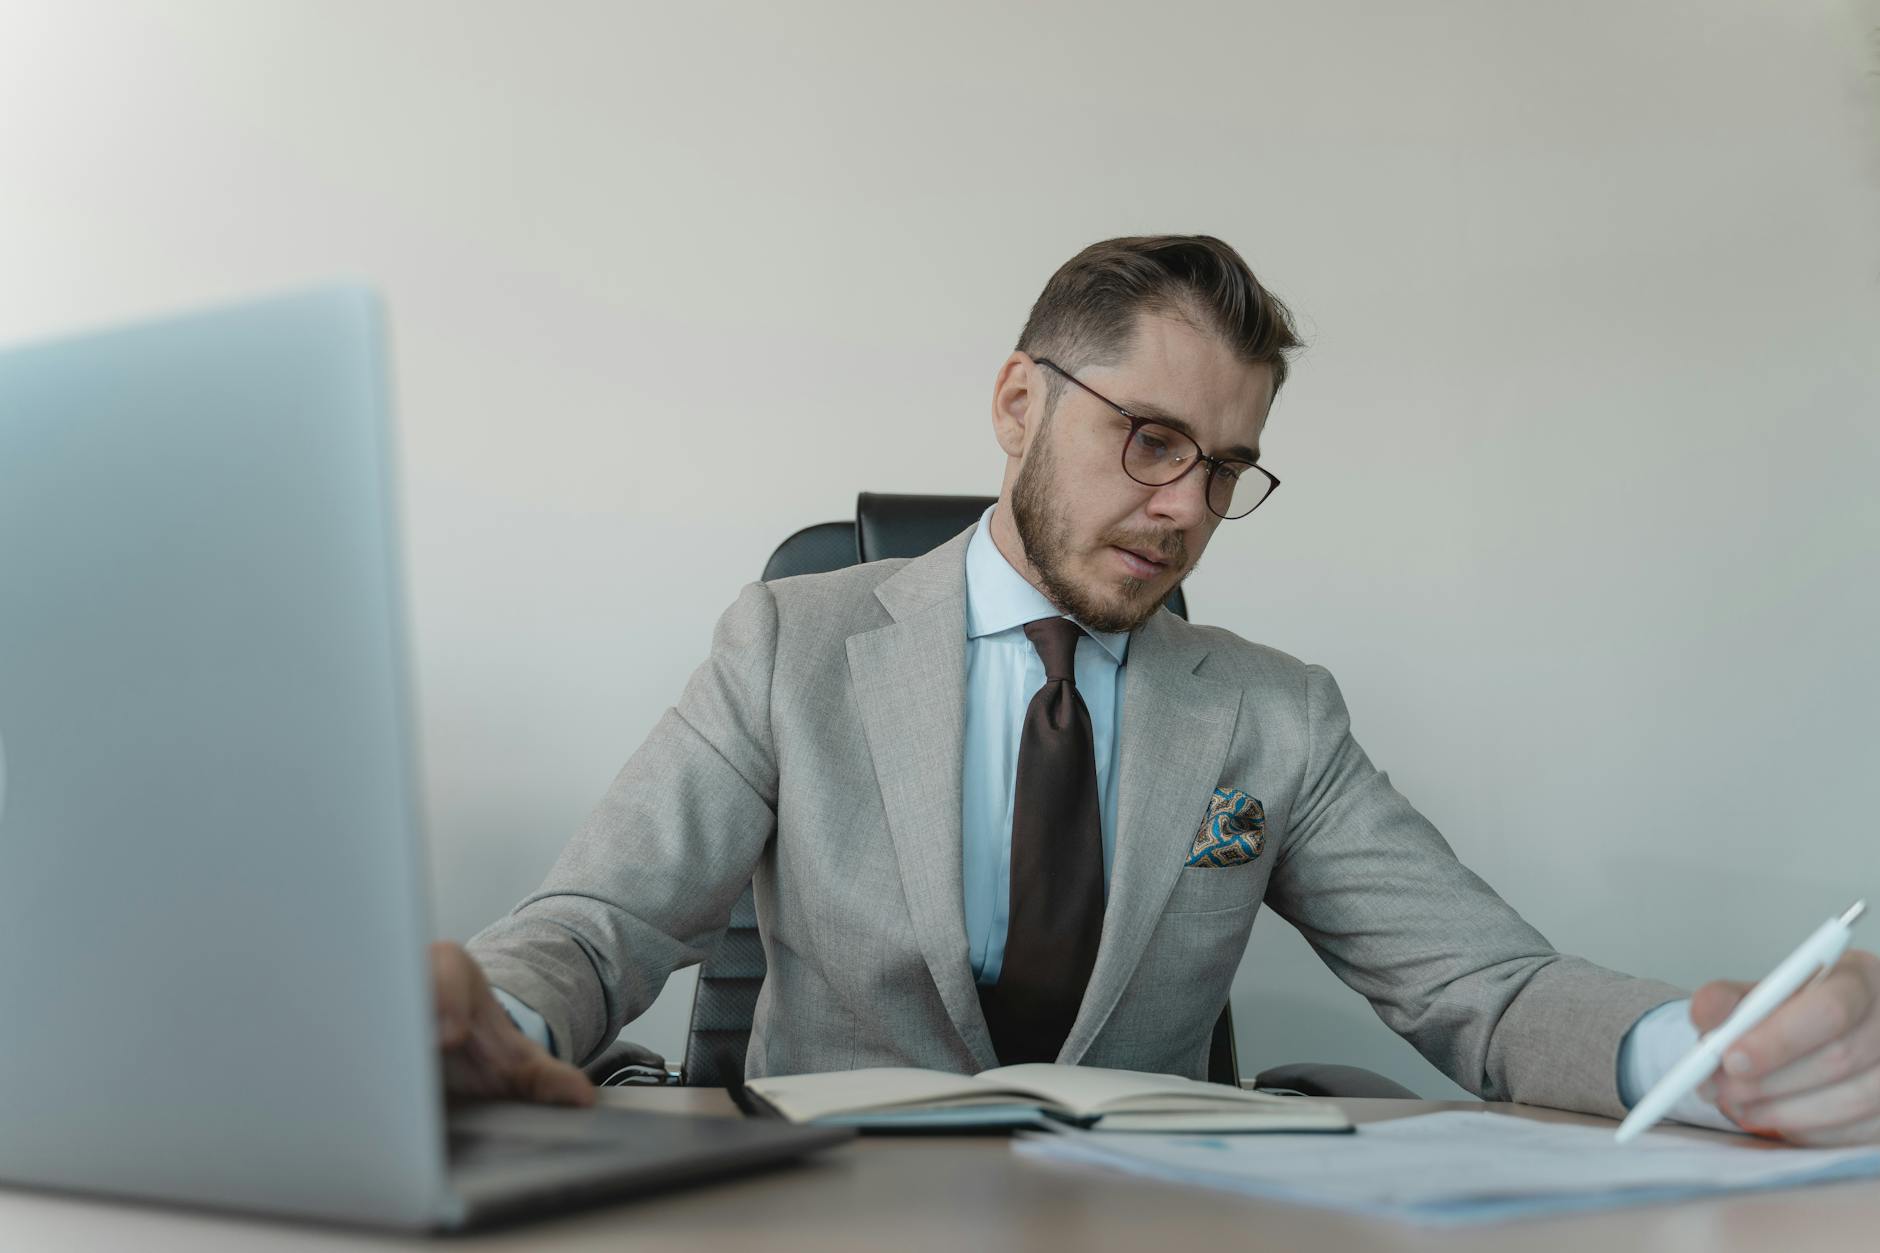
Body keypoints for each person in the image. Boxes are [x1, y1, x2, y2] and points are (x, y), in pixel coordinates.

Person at [433, 235, 1880, 1145]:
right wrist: (487, 1018)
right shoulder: (790, 645)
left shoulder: (1275, 715)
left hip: (1151, 1220)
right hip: (836, 1205)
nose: (1186, 506)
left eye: (1229, 465)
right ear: (1020, 405)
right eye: (1148, 439)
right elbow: (600, 923)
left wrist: (1709, 1048)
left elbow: (1483, 990)